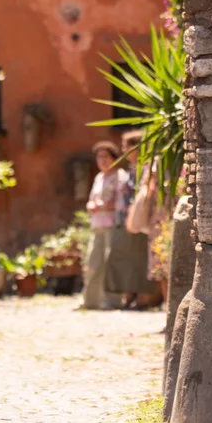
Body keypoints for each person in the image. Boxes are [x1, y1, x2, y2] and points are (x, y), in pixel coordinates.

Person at [105, 129, 153, 309]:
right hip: (126, 220)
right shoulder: (133, 169)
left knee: (138, 258)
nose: (123, 149)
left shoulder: (143, 168)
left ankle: (143, 297)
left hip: (135, 221)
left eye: (126, 146)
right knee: (128, 257)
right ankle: (131, 293)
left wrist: (132, 218)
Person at [82, 140, 128, 310]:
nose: (102, 160)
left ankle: (113, 301)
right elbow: (91, 200)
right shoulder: (99, 177)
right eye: (99, 157)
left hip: (113, 225)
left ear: (114, 158)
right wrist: (91, 206)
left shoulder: (120, 176)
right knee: (93, 262)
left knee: (111, 263)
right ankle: (90, 301)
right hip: (97, 225)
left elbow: (123, 202)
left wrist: (105, 206)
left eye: (105, 157)